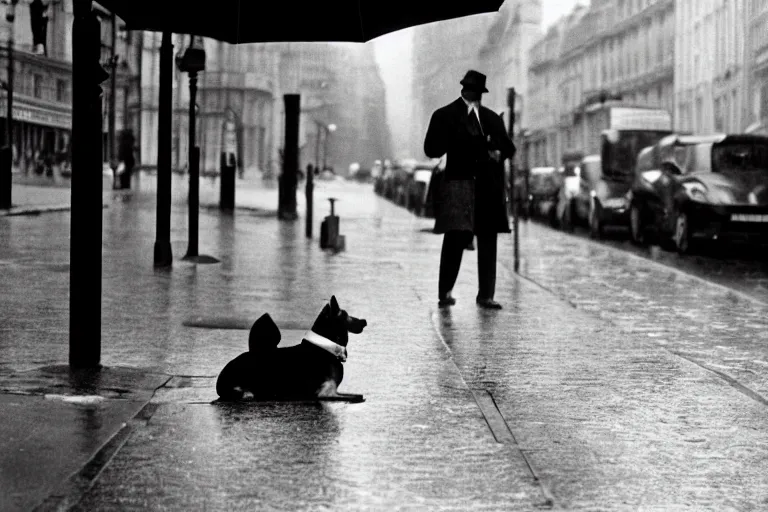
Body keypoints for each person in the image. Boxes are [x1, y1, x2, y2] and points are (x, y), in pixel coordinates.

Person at [424, 70, 516, 309]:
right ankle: (446, 292)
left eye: (476, 92)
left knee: (486, 239)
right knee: (455, 238)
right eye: (472, 91)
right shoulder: (445, 115)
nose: (474, 96)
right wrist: (453, 140)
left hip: (487, 186)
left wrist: (496, 151)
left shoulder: (491, 119)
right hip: (459, 184)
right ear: (464, 90)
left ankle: (485, 294)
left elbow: (508, 148)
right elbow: (431, 149)